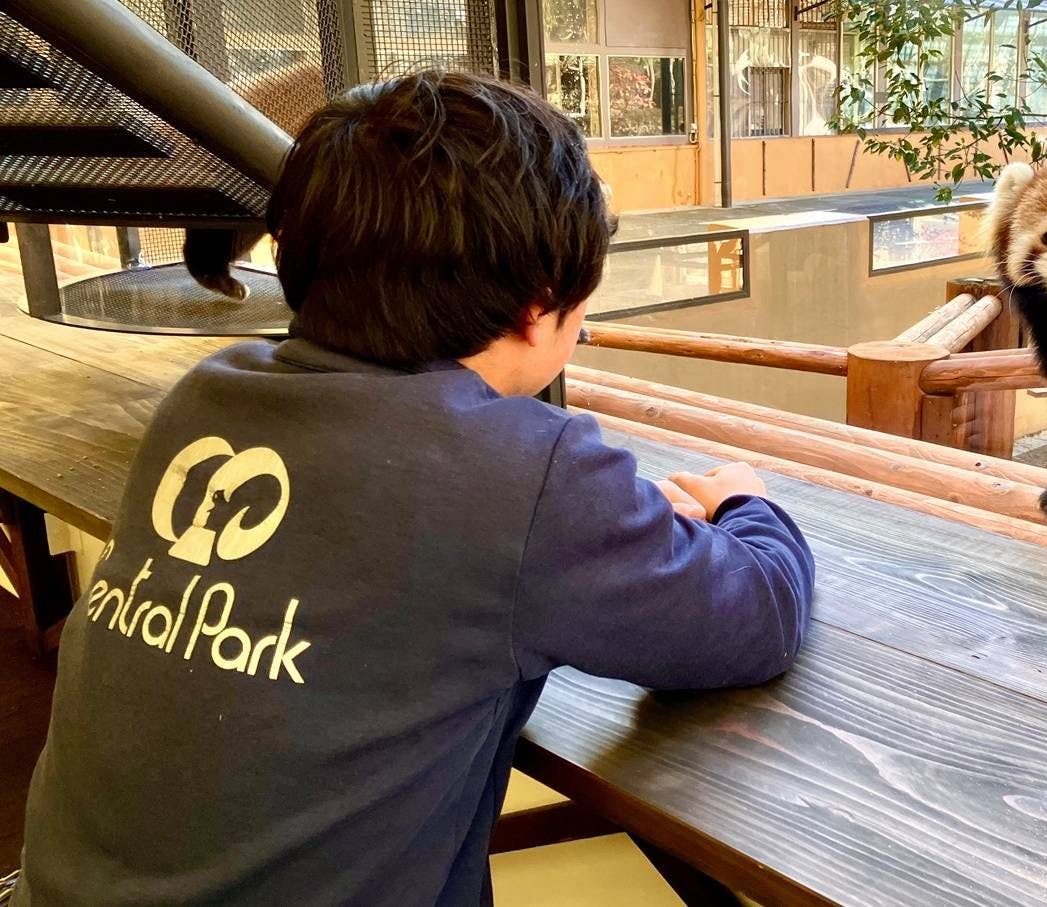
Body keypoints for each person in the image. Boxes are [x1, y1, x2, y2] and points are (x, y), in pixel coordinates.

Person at [15, 69, 814, 906]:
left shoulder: (207, 398)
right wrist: (744, 501)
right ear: (540, 307)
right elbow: (757, 612)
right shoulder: (521, 475)